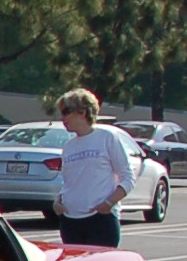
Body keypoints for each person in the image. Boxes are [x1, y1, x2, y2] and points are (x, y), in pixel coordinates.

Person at [52, 87, 134, 248]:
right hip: (70, 221)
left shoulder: (107, 138)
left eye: (66, 112)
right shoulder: (69, 146)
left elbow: (128, 177)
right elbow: (69, 182)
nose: (63, 118)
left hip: (100, 220)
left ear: (82, 112)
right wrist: (58, 201)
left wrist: (109, 204)